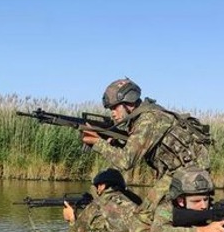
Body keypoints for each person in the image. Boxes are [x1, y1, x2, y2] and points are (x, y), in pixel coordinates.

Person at [80, 78, 213, 223]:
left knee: (146, 216)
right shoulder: (144, 118)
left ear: (128, 103)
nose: (112, 113)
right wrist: (114, 143)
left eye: (114, 108)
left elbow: (126, 162)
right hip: (184, 173)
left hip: (186, 175)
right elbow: (136, 151)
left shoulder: (149, 119)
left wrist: (97, 142)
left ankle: (198, 229)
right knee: (156, 213)